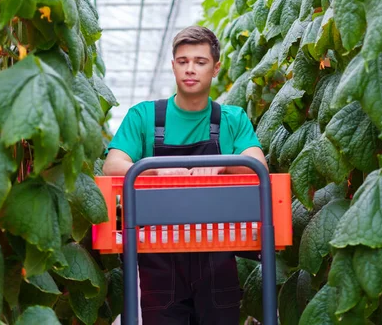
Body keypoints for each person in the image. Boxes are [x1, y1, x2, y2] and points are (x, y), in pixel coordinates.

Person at [103, 26, 268, 325]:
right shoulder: (144, 116)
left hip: (218, 256)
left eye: (200, 62)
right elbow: (113, 164)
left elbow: (258, 167)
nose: (190, 69)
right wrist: (155, 169)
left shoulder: (232, 119)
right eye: (183, 61)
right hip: (158, 258)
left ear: (216, 68)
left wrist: (223, 164)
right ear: (173, 65)